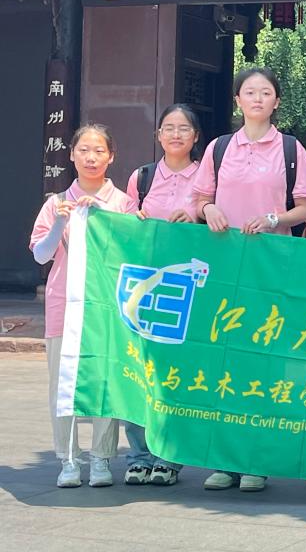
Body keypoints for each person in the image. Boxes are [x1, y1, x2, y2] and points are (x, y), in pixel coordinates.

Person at [194, 67, 306, 492]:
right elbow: (200, 199)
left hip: (272, 267)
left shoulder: (290, 149)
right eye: (250, 92)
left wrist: (273, 219)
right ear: (238, 100)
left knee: (264, 359)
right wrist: (209, 210)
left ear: (276, 101)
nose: (258, 99)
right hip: (226, 268)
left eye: (266, 92)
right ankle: (223, 459)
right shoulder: (219, 148)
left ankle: (255, 460)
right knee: (225, 359)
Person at [29, 124, 136, 489]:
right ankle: (68, 459)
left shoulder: (123, 203)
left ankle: (102, 458)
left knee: (104, 381)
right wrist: (61, 220)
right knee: (62, 384)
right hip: (64, 308)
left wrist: (105, 217)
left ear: (111, 157)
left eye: (99, 151)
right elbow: (42, 254)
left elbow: (131, 253)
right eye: (84, 150)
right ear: (72, 154)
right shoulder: (55, 203)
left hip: (107, 309)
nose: (91, 157)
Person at [121, 103, 203, 487]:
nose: (175, 134)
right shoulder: (142, 178)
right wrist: (133, 221)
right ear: (158, 135)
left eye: (183, 128)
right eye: (168, 127)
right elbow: (123, 227)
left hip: (186, 293)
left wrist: (198, 217)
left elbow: (218, 223)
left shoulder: (206, 177)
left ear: (195, 136)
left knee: (176, 374)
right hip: (145, 289)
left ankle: (169, 456)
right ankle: (139, 455)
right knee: (139, 370)